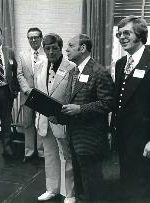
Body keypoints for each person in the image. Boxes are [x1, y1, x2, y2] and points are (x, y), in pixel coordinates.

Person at [60, 34, 114, 202]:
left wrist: (80, 109)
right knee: (82, 185)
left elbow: (109, 103)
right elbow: (71, 99)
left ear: (82, 48)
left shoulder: (99, 71)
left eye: (70, 45)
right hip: (74, 136)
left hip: (90, 139)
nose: (66, 49)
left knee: (93, 185)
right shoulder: (73, 71)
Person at [111, 15, 150, 199]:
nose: (122, 38)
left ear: (141, 34)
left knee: (142, 186)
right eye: (119, 34)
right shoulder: (120, 64)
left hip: (144, 139)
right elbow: (118, 101)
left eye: (127, 33)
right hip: (124, 137)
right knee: (127, 180)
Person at [36, 33, 75, 203]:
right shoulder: (40, 65)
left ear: (60, 48)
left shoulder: (72, 67)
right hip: (44, 119)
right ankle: (51, 189)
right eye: (47, 48)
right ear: (43, 49)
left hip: (62, 119)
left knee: (66, 156)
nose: (50, 52)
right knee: (50, 155)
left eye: (54, 48)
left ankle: (69, 193)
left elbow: (73, 95)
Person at [0, 25, 19, 162]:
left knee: (7, 121)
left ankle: (7, 147)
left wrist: (16, 89)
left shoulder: (9, 52)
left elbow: (15, 70)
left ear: (2, 36)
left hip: (6, 91)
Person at [17, 27, 46, 162]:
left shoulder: (47, 53)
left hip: (42, 95)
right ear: (28, 39)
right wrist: (27, 89)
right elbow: (20, 74)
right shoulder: (22, 55)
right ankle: (29, 152)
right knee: (28, 124)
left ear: (41, 38)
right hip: (27, 94)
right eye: (30, 37)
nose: (33, 39)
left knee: (40, 124)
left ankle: (41, 152)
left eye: (36, 37)